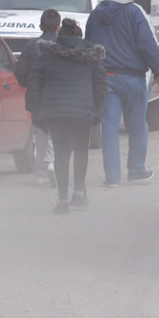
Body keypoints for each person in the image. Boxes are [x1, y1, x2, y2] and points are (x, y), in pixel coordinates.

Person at [85, 0, 159, 188]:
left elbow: (88, 46)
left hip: (106, 78)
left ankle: (112, 177)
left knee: (109, 127)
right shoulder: (133, 12)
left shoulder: (95, 15)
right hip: (132, 78)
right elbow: (147, 43)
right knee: (138, 126)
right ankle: (137, 170)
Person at [25, 18, 107, 214]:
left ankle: (62, 201)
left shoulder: (46, 56)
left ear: (59, 36)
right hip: (82, 112)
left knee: (61, 154)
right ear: (79, 36)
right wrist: (97, 110)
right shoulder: (91, 57)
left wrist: (34, 110)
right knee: (81, 151)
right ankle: (79, 193)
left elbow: (34, 84)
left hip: (56, 113)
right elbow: (101, 85)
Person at [15, 9, 60, 186]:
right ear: (59, 27)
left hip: (37, 97)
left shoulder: (31, 46)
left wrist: (30, 85)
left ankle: (41, 173)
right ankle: (54, 163)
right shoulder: (64, 45)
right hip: (58, 97)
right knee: (57, 134)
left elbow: (20, 72)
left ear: (40, 26)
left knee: (40, 135)